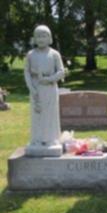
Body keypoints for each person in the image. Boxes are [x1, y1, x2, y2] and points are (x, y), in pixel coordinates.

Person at [24, 25, 65, 156]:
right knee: (37, 114)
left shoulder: (54, 54)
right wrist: (31, 88)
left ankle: (51, 139)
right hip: (36, 88)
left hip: (50, 88)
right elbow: (26, 72)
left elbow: (61, 71)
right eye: (38, 36)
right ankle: (37, 139)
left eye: (44, 35)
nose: (41, 39)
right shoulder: (31, 55)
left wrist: (49, 79)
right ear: (34, 39)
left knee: (50, 114)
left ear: (50, 38)